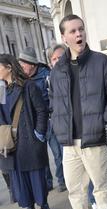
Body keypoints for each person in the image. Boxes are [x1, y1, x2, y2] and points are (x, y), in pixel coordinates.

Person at [49, 14, 107, 209]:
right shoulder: (57, 70)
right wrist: (58, 127)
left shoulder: (102, 62)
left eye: (80, 29)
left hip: (94, 137)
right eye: (72, 31)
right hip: (69, 141)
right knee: (74, 188)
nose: (78, 34)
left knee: (100, 186)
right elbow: (53, 102)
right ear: (63, 36)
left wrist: (103, 120)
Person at [0, 54, 51, 209]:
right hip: (11, 140)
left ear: (8, 67)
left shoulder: (28, 86)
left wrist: (39, 133)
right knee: (19, 176)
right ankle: (29, 208)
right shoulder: (1, 90)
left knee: (36, 174)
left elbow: (42, 111)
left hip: (29, 136)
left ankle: (43, 205)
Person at [19, 46, 54, 191]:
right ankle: (47, 183)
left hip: (50, 119)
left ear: (31, 65)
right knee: (40, 155)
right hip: (34, 122)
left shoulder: (46, 74)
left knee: (58, 153)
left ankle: (64, 180)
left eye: (23, 65)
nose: (20, 68)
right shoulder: (22, 80)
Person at [46, 44, 67, 193]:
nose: (57, 61)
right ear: (50, 63)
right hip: (53, 124)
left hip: (71, 126)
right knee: (58, 155)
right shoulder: (49, 79)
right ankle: (61, 180)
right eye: (54, 59)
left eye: (60, 57)